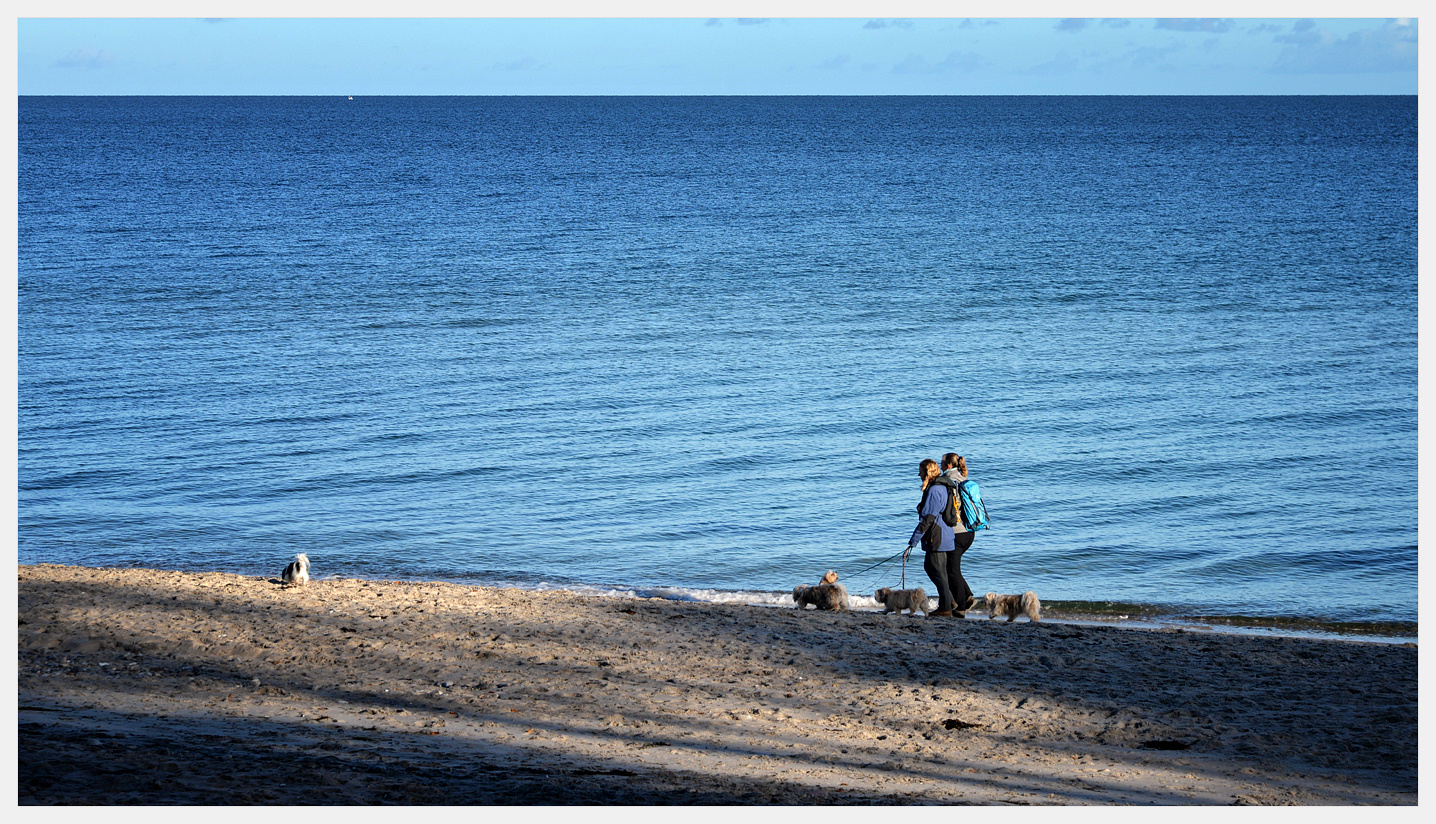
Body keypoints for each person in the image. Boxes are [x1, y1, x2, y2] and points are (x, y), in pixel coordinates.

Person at [905, 458, 959, 617]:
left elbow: (928, 518)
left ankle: (947, 607)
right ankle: (949, 602)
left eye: (920, 472)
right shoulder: (940, 486)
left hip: (937, 536)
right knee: (937, 570)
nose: (918, 474)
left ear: (927, 472)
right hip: (944, 535)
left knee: (934, 569)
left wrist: (913, 540)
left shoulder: (935, 490)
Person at [939, 453, 977, 615]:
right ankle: (967, 597)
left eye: (941, 463)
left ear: (948, 465)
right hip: (969, 532)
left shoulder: (947, 481)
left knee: (951, 571)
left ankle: (961, 608)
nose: (940, 466)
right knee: (952, 568)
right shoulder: (963, 480)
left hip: (956, 532)